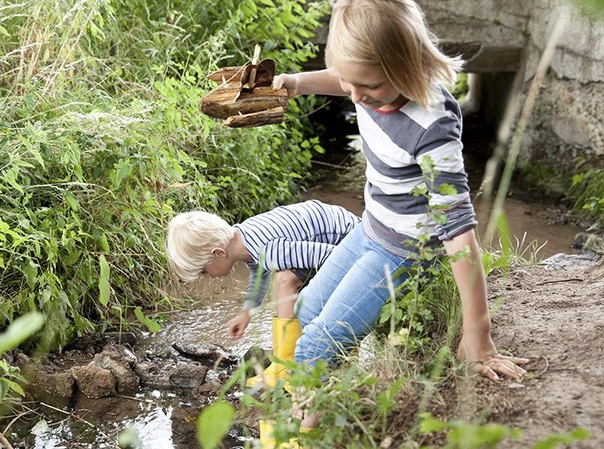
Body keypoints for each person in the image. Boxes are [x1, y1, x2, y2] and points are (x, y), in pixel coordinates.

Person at [267, 0, 530, 438]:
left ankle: (307, 434)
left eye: (368, 86)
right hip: (370, 228)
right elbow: (351, 79)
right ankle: (335, 393)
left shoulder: (432, 126)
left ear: (405, 66)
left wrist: (478, 332)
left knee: (314, 346)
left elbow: (459, 230)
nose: (355, 97)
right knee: (306, 308)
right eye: (348, 82)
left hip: (405, 251)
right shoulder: (370, 84)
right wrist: (299, 82)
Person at [166, 200, 360, 388]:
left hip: (352, 240)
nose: (207, 277)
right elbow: (259, 273)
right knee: (286, 278)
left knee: (284, 280)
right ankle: (293, 354)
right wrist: (247, 312)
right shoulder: (244, 237)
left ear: (218, 253)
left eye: (203, 271)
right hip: (333, 236)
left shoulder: (271, 249)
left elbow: (336, 256)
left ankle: (287, 364)